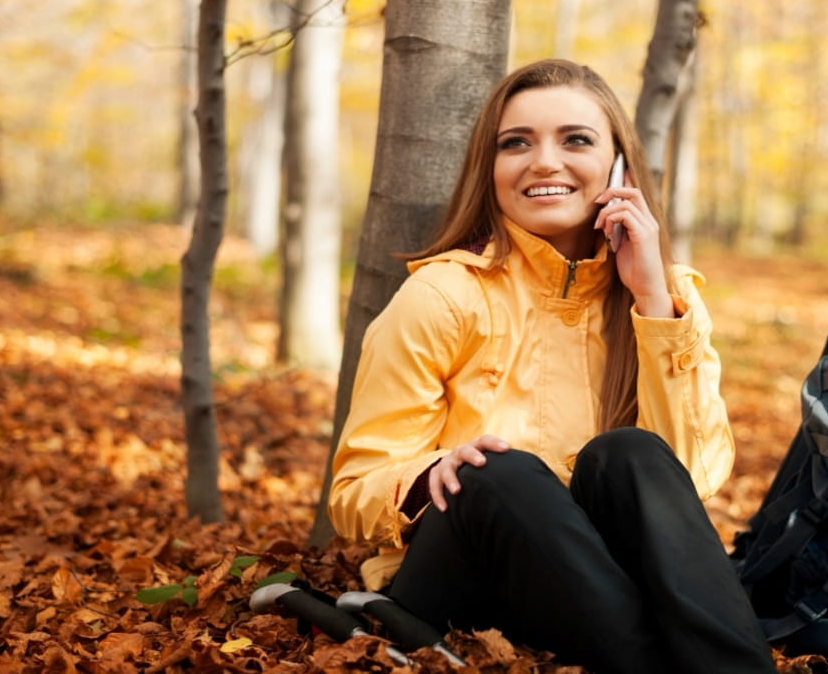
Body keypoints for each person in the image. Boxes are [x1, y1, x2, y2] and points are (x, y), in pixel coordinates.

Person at [328, 58, 776, 674]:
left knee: (630, 454)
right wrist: (433, 471)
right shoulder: (444, 295)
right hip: (465, 580)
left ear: (618, 167)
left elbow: (691, 479)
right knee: (497, 470)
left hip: (598, 586)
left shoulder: (665, 299)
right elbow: (352, 493)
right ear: (491, 169)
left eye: (576, 140)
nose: (543, 162)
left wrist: (651, 302)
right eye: (517, 143)